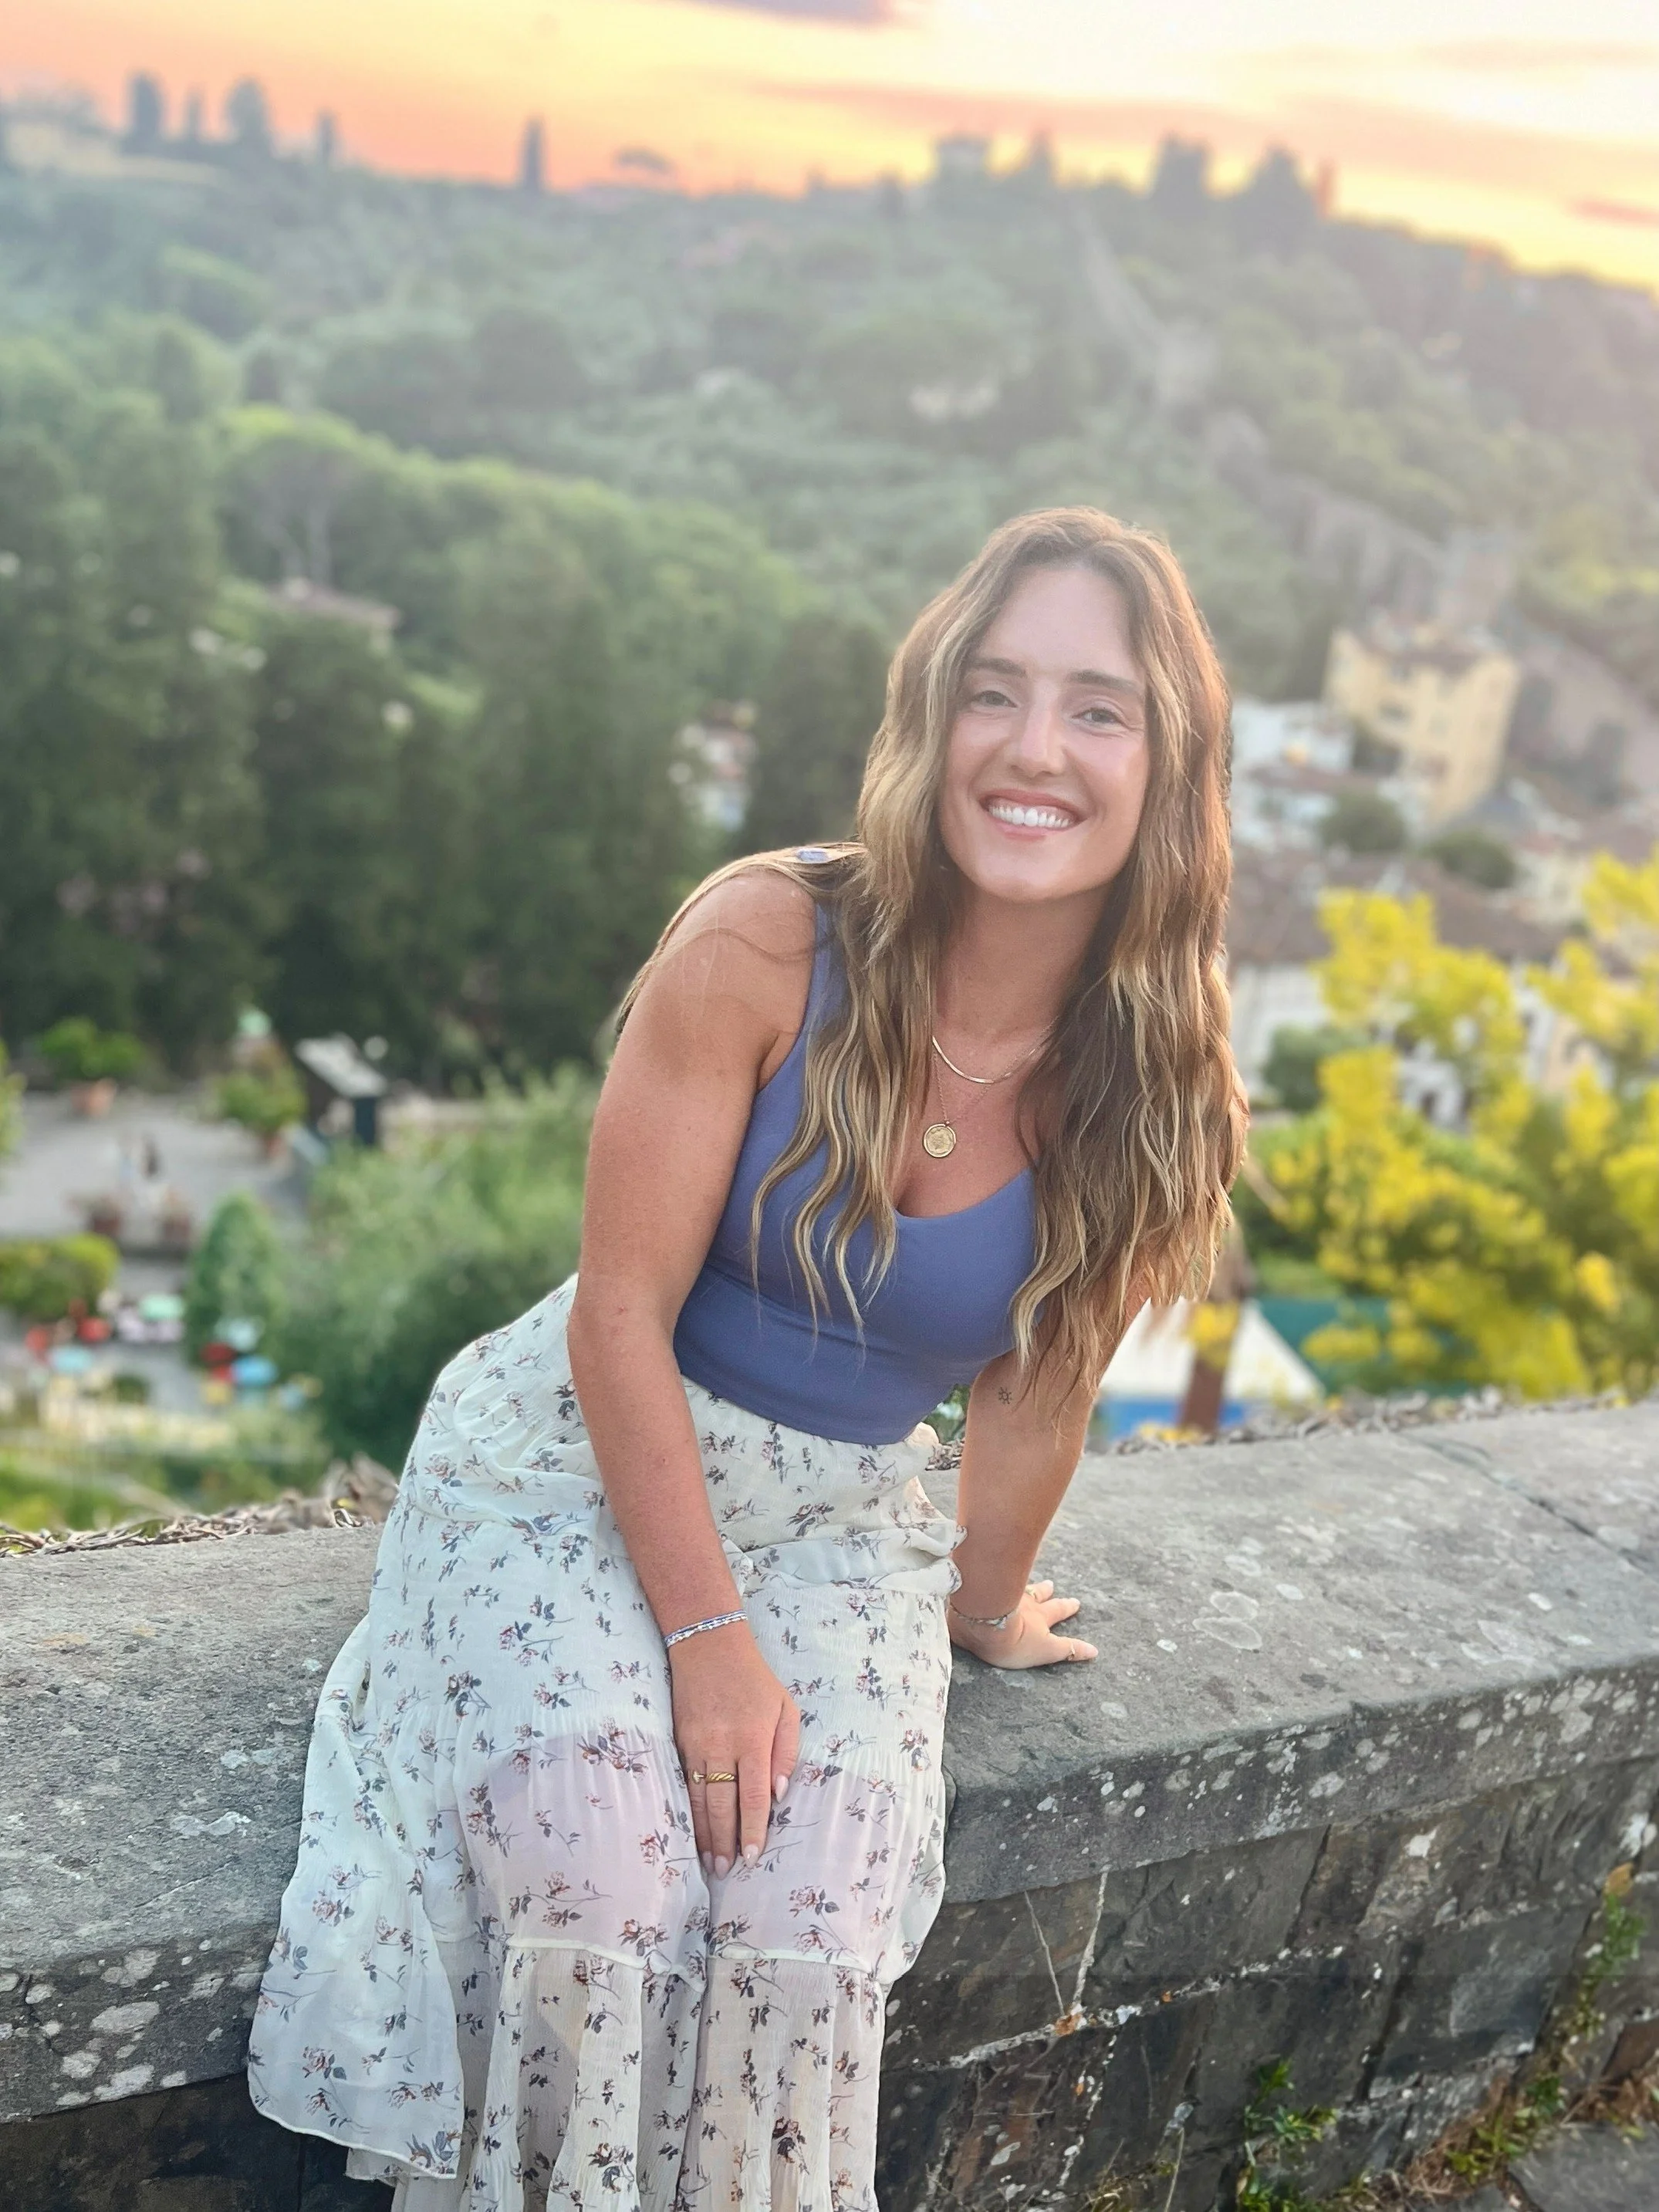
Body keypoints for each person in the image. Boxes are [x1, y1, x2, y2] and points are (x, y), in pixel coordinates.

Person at [248, 507, 1243, 2211]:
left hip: (845, 1511)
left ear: (1172, 765)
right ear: (932, 718)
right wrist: (707, 1638)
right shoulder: (766, 936)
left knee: (811, 1903)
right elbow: (613, 1310)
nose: (1032, 747)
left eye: (1098, 707)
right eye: (994, 691)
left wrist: (984, 1598)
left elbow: (1036, 1387)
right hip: (582, 1444)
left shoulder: (1164, 1083)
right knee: (600, 1859)